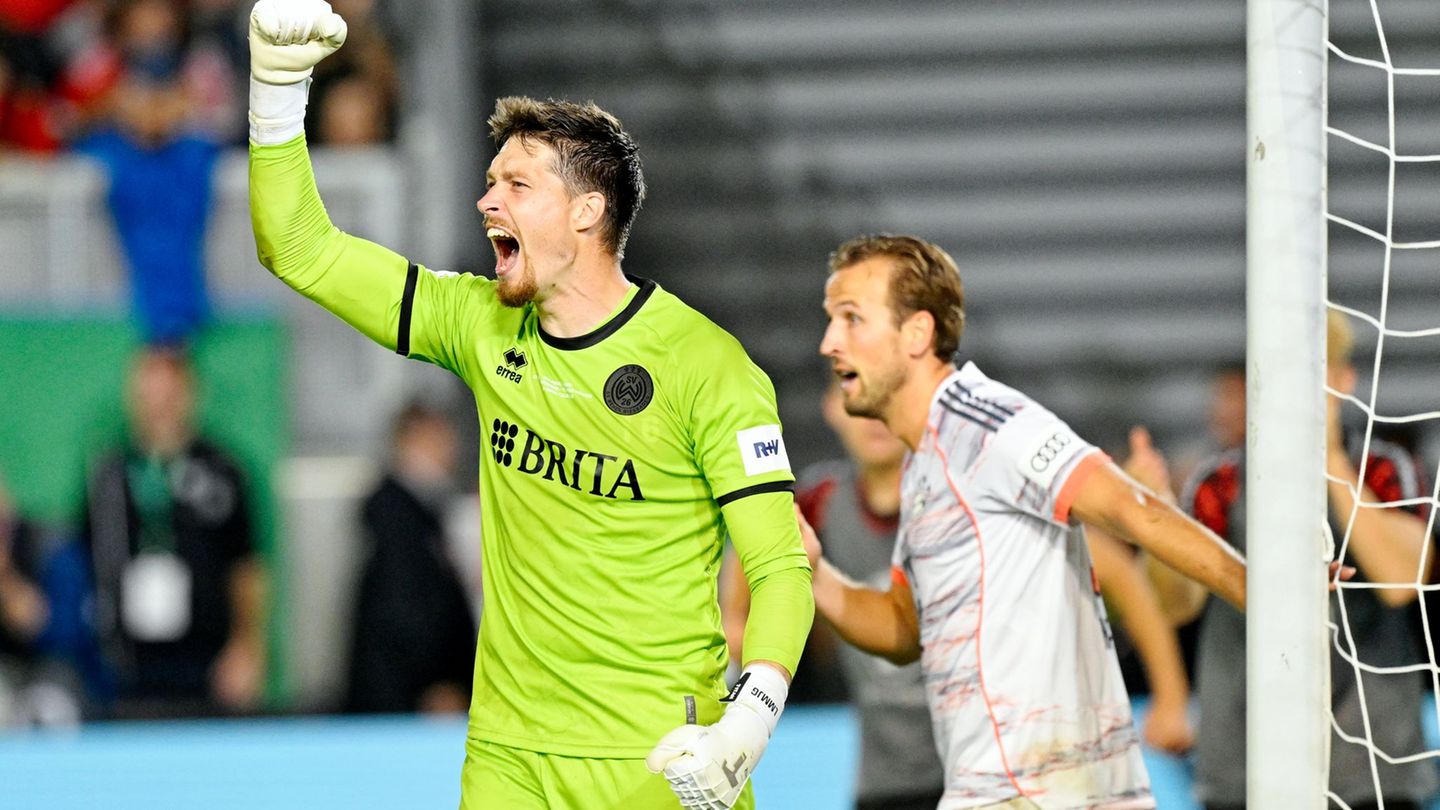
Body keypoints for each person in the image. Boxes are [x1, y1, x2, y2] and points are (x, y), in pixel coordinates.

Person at [245, 3, 813, 808]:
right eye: (488, 183)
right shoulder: (479, 323)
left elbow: (780, 566)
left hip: (657, 760)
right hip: (507, 756)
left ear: (587, 211)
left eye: (516, 184)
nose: (487, 203)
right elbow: (301, 248)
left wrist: (749, 722)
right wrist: (275, 94)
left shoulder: (706, 365)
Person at [806, 233, 1248, 809]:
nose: (829, 342)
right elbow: (903, 629)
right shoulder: (925, 464)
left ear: (917, 333)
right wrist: (811, 571)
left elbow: (1128, 508)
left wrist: (1268, 597)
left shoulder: (986, 422)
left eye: (851, 318)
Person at [1176, 311, 1435, 810]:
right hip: (1242, 769)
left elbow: (1402, 581)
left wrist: (1331, 459)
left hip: (1373, 769)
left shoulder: (1383, 468)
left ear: (1343, 380)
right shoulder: (1220, 481)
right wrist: (1154, 515)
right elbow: (1177, 604)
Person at [724, 381, 945, 810]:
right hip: (882, 783)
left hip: (972, 777)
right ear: (831, 406)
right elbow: (748, 563)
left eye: (888, 392)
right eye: (853, 388)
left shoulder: (954, 502)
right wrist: (741, 647)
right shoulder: (819, 502)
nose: (873, 415)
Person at [82, 344, 267, 719]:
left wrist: (246, 644)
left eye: (169, 394)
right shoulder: (109, 472)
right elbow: (85, 556)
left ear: (189, 395)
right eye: (149, 394)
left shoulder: (223, 471)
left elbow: (246, 565)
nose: (159, 406)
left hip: (207, 659)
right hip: (129, 662)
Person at [346, 402, 477, 715]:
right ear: (410, 441)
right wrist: (433, 682)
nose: (450, 451)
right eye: (438, 439)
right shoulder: (395, 514)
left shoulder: (423, 512)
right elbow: (403, 609)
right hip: (408, 698)